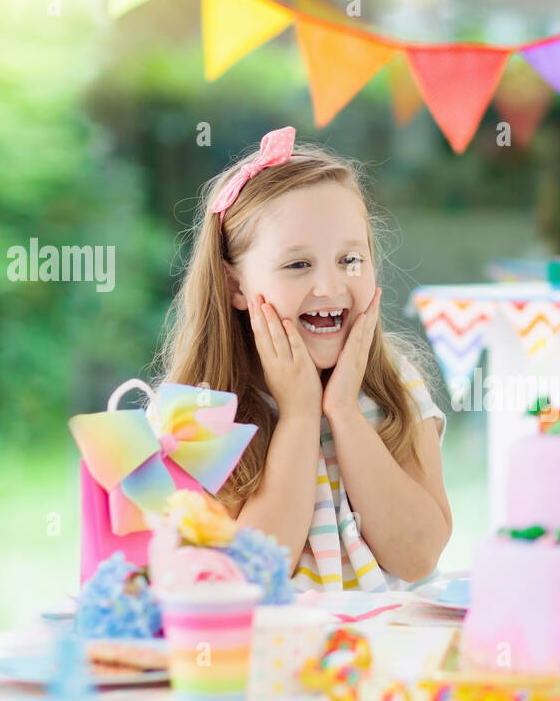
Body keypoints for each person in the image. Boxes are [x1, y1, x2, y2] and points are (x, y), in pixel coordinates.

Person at [159, 126, 450, 591]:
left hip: (381, 650)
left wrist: (345, 413)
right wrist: (298, 415)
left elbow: (417, 557)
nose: (330, 288)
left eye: (350, 260)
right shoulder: (202, 408)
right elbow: (245, 577)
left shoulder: (396, 385)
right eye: (298, 265)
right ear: (236, 286)